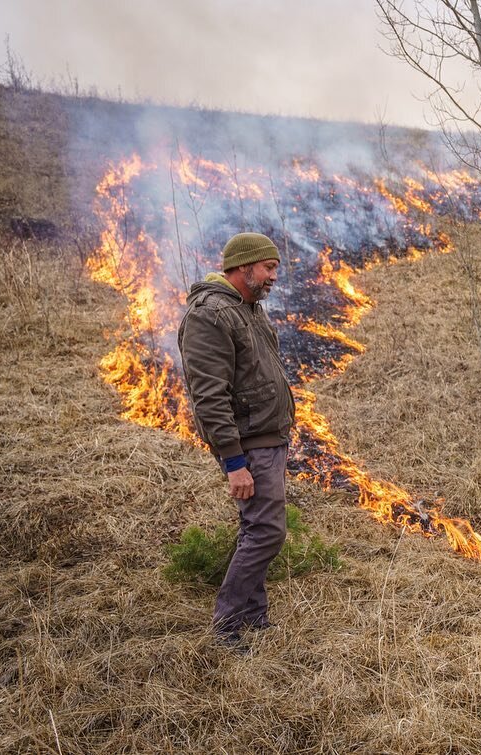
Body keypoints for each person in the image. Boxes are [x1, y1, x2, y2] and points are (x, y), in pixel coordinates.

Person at [177, 232, 295, 650]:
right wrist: (233, 461)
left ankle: (253, 615)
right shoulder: (210, 315)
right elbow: (209, 396)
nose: (274, 275)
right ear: (244, 266)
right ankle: (226, 624)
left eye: (275, 267)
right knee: (266, 532)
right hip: (248, 444)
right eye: (268, 267)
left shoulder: (248, 308)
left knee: (257, 528)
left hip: (268, 436)